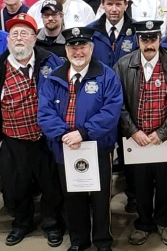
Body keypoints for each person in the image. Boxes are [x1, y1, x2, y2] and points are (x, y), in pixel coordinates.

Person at [0, 13, 66, 247]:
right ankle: (21, 223)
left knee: (52, 186)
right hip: (11, 142)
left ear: (35, 39)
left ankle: (52, 224)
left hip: (46, 140)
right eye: (14, 33)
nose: (19, 38)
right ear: (7, 40)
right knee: (16, 188)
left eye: (25, 33)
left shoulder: (52, 63)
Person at [38, 26, 124, 251]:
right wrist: (64, 135)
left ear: (91, 48)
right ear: (66, 50)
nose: (78, 52)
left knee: (100, 198)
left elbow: (111, 111)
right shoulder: (54, 78)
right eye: (72, 47)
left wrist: (84, 133)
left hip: (98, 148)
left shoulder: (107, 75)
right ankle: (79, 241)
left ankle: (103, 241)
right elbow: (45, 113)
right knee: (73, 197)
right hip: (65, 149)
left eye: (82, 46)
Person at [115, 20, 167, 247]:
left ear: (160, 39)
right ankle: (144, 223)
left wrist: (163, 133)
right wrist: (133, 130)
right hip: (136, 139)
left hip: (165, 139)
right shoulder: (123, 65)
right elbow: (117, 103)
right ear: (138, 40)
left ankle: (165, 222)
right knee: (140, 184)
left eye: (153, 39)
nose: (149, 44)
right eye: (144, 39)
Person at [89, 0, 139, 68]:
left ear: (126, 4)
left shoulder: (136, 30)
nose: (114, 9)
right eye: (109, 4)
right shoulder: (90, 31)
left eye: (118, 4)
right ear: (102, 4)